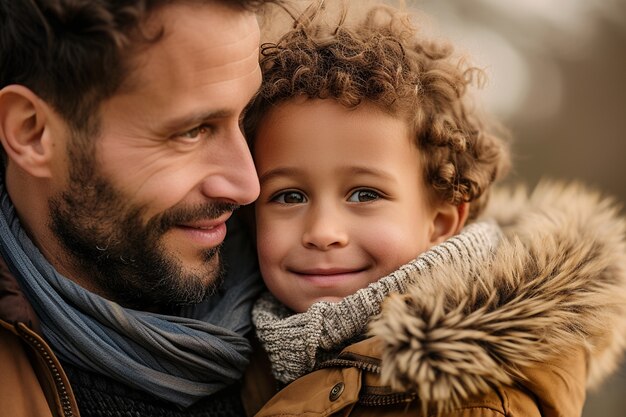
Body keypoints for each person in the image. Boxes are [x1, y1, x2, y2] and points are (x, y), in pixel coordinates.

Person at [241, 2, 626, 416]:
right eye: (290, 196)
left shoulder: (474, 402)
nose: (322, 231)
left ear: (441, 221)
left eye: (364, 195)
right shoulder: (239, 347)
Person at [0, 1, 279, 416]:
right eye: (192, 132)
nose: (248, 186)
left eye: (245, 117)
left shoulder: (317, 309)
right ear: (33, 133)